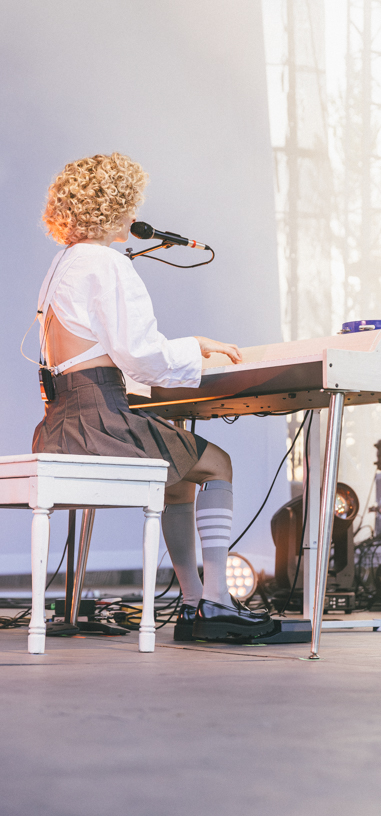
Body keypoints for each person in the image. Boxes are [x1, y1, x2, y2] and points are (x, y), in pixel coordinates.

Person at [32, 152, 273, 643]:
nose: (133, 213)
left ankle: (195, 603)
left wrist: (181, 352)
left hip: (62, 421)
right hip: (98, 419)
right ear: (115, 204)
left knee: (180, 476)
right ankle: (213, 602)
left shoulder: (64, 263)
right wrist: (198, 349)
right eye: (130, 203)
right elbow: (141, 355)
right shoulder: (105, 263)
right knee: (218, 463)